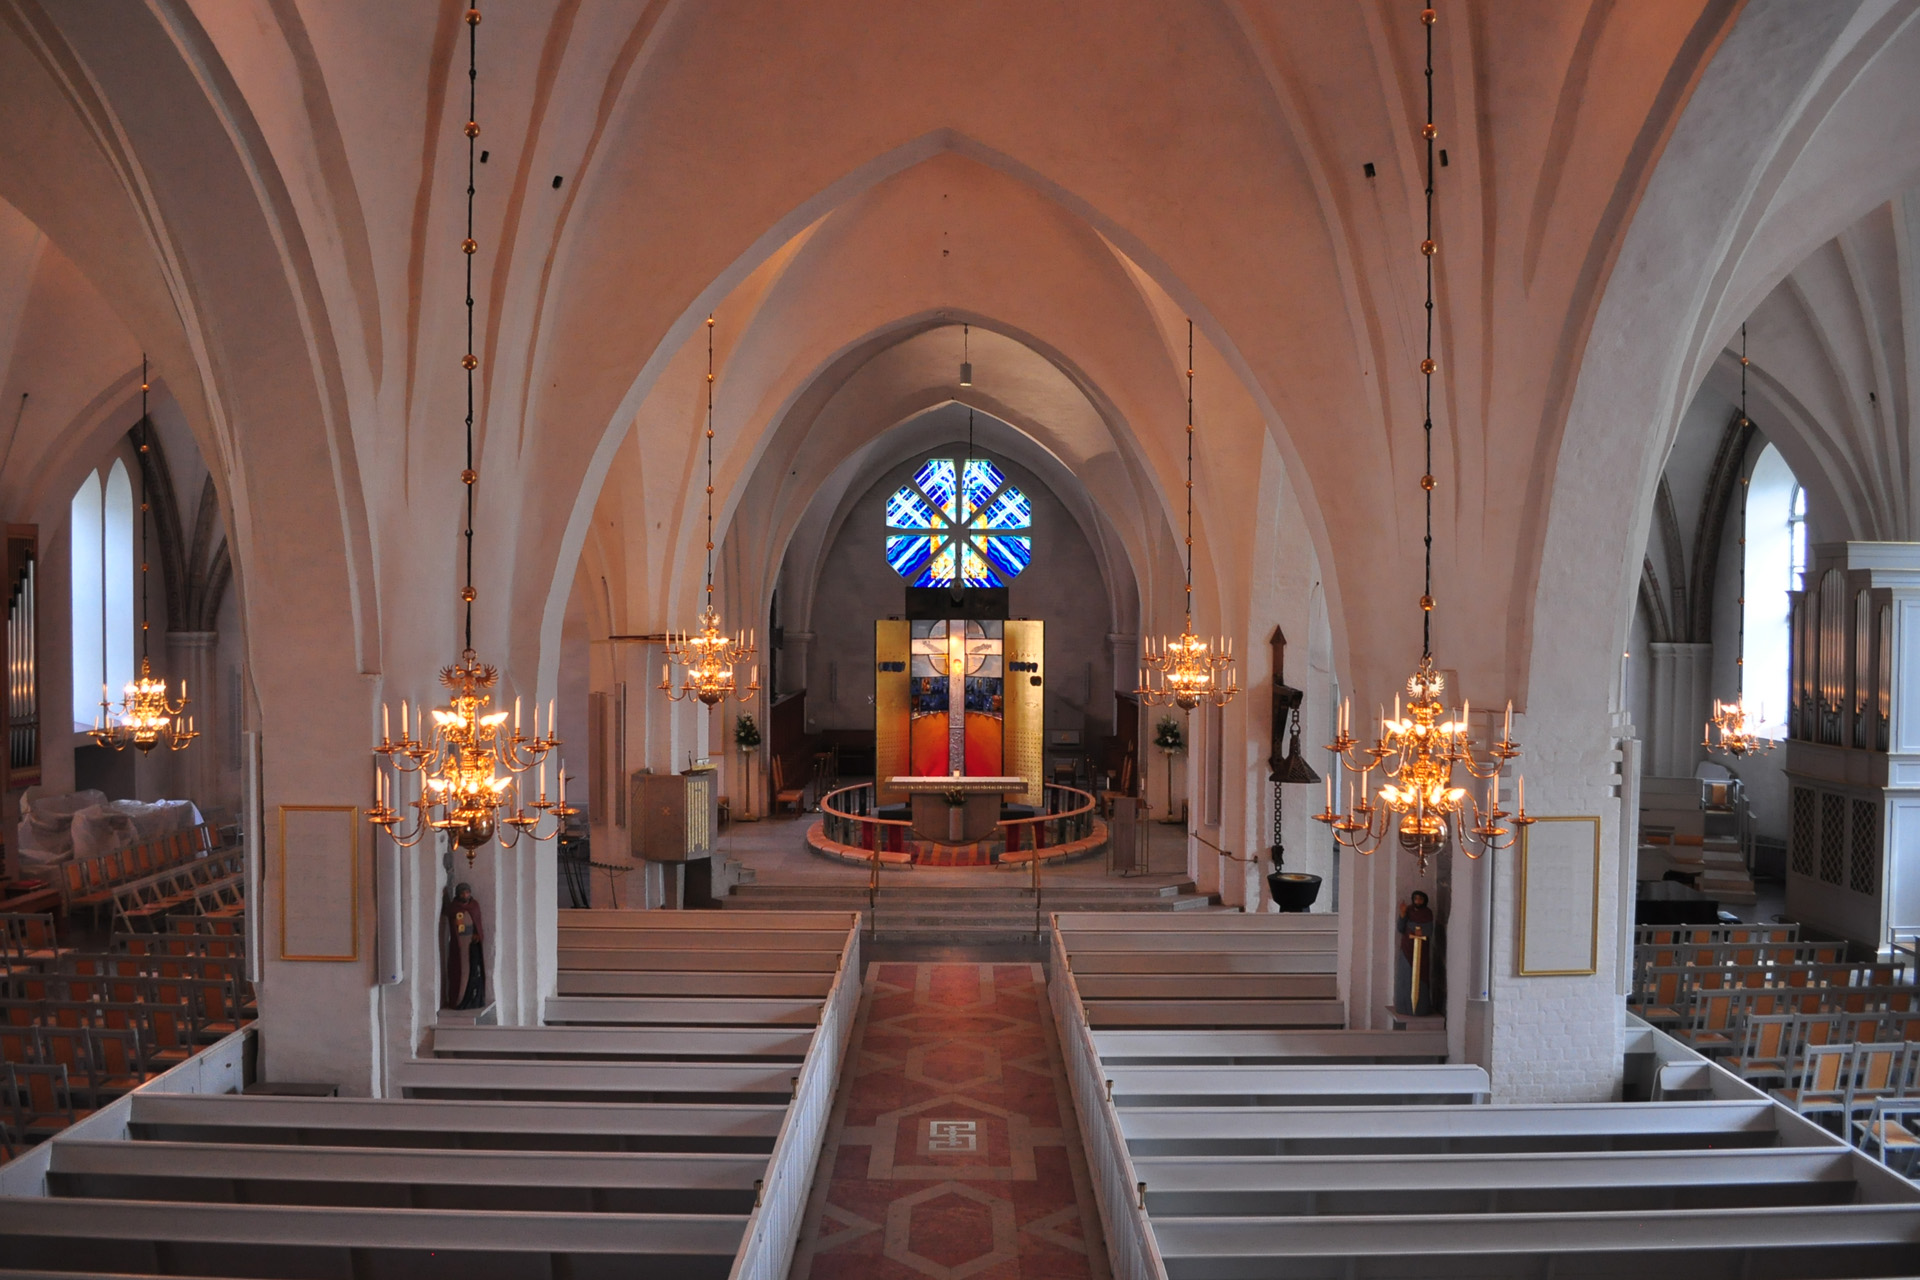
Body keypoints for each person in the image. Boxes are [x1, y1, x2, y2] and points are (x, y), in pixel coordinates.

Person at [442, 882, 486, 1010]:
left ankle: (474, 998)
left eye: (467, 892)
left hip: (473, 943)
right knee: (461, 972)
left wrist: (477, 934)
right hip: (460, 943)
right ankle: (460, 1000)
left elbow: (478, 922)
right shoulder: (454, 907)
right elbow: (452, 921)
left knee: (474, 970)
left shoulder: (474, 905)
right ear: (458, 894)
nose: (465, 895)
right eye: (462, 893)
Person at [1395, 889, 1438, 1016]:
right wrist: (1402, 915)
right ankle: (1404, 1006)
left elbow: (1429, 930)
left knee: (1421, 977)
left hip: (1421, 950)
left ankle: (1421, 1007)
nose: (1418, 901)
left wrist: (1421, 931)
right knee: (1406, 975)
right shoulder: (1408, 910)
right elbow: (1401, 928)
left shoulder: (1427, 913)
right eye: (1416, 899)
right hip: (1407, 948)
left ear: (1424, 900)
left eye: (1420, 899)